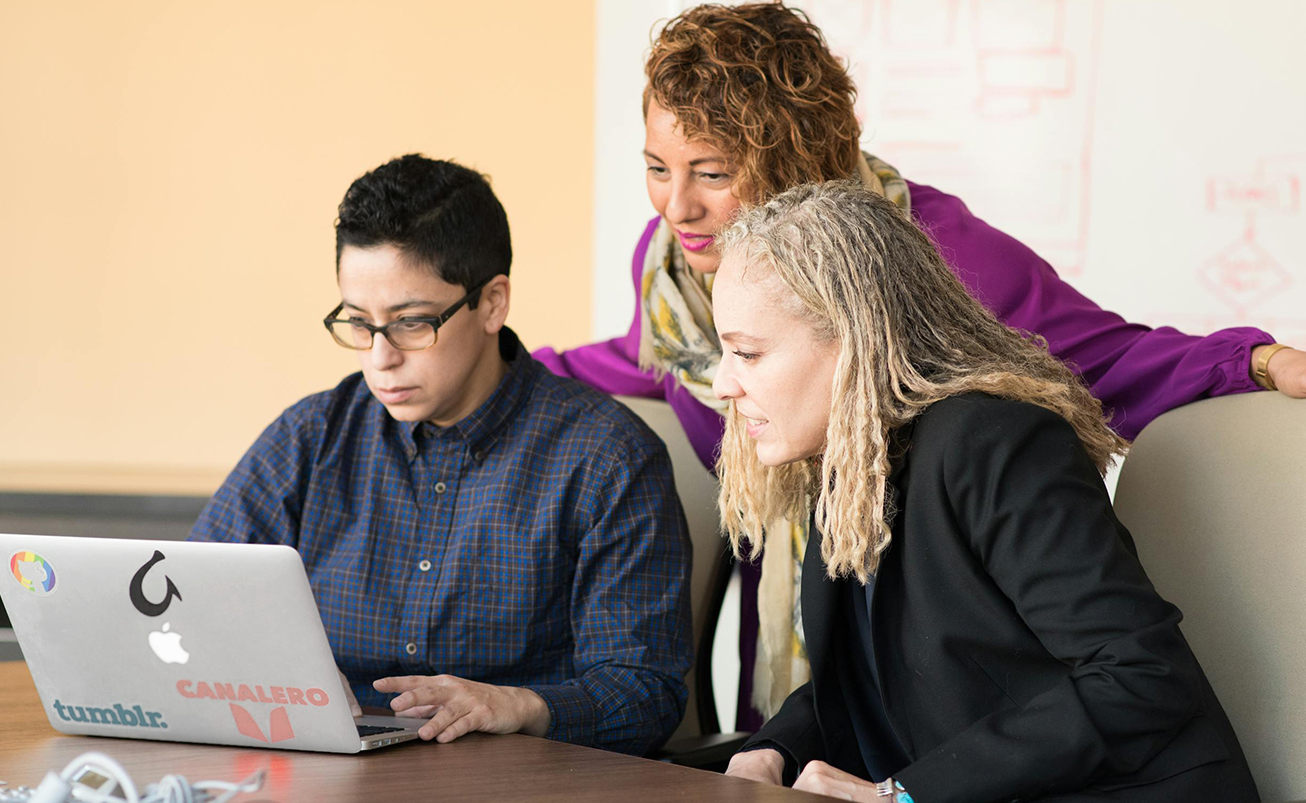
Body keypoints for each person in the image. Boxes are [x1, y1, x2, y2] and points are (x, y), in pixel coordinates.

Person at [532, 1, 1306, 726]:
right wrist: (497, 366)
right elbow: (647, 362)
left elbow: (1108, 359)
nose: (675, 206)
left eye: (710, 172)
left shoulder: (938, 253)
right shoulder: (673, 266)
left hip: (941, 664)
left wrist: (1262, 362)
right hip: (800, 663)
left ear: (793, 162)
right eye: (657, 167)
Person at [714, 180, 1259, 803]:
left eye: (748, 354)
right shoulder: (848, 458)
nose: (722, 383)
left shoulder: (994, 440)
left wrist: (900, 796)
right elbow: (879, 678)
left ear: (854, 339)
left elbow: (1140, 675)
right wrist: (771, 751)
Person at [189, 154, 693, 756]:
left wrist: (519, 705)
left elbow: (645, 693)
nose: (380, 357)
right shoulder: (311, 437)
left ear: (492, 304)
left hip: (512, 788)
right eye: (358, 323)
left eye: (411, 323)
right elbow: (193, 604)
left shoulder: (607, 459)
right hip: (319, 774)